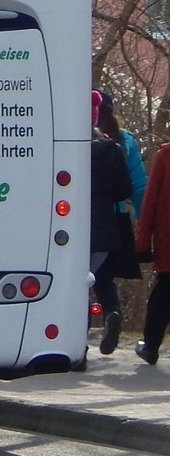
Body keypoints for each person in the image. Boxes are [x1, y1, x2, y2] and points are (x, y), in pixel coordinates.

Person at [93, 91, 146, 354]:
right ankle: (111, 312)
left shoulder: (79, 139)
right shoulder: (124, 141)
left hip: (81, 218)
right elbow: (137, 186)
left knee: (77, 277)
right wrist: (143, 225)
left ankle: (76, 332)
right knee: (104, 277)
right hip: (115, 219)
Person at [89, 90, 132, 359]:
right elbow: (124, 189)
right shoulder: (112, 149)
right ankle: (112, 311)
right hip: (104, 227)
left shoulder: (65, 146)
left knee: (75, 285)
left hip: (69, 227)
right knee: (103, 279)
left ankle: (76, 347)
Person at [135, 139, 170, 364]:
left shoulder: (166, 155)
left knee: (164, 293)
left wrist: (142, 243)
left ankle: (151, 345)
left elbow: (150, 201)